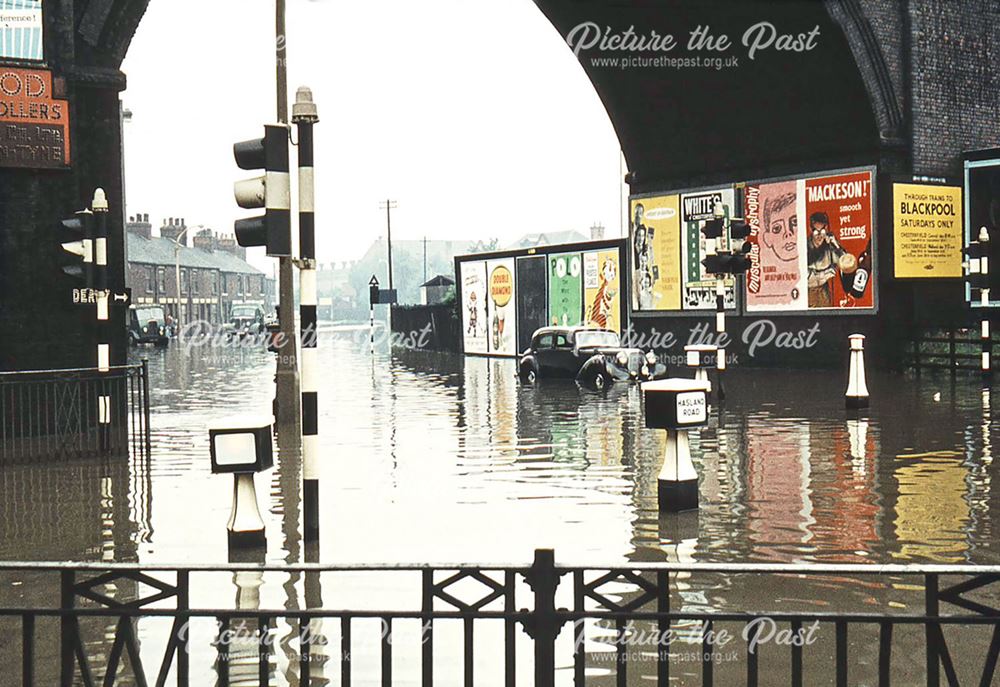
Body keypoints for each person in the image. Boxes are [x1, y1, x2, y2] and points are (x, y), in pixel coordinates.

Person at [806, 212, 847, 308]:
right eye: (816, 231)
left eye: (822, 231)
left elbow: (845, 264)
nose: (819, 235)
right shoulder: (805, 246)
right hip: (809, 292)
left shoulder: (829, 245)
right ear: (810, 230)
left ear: (826, 228)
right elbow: (807, 277)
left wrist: (836, 245)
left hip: (824, 291)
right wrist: (827, 273)